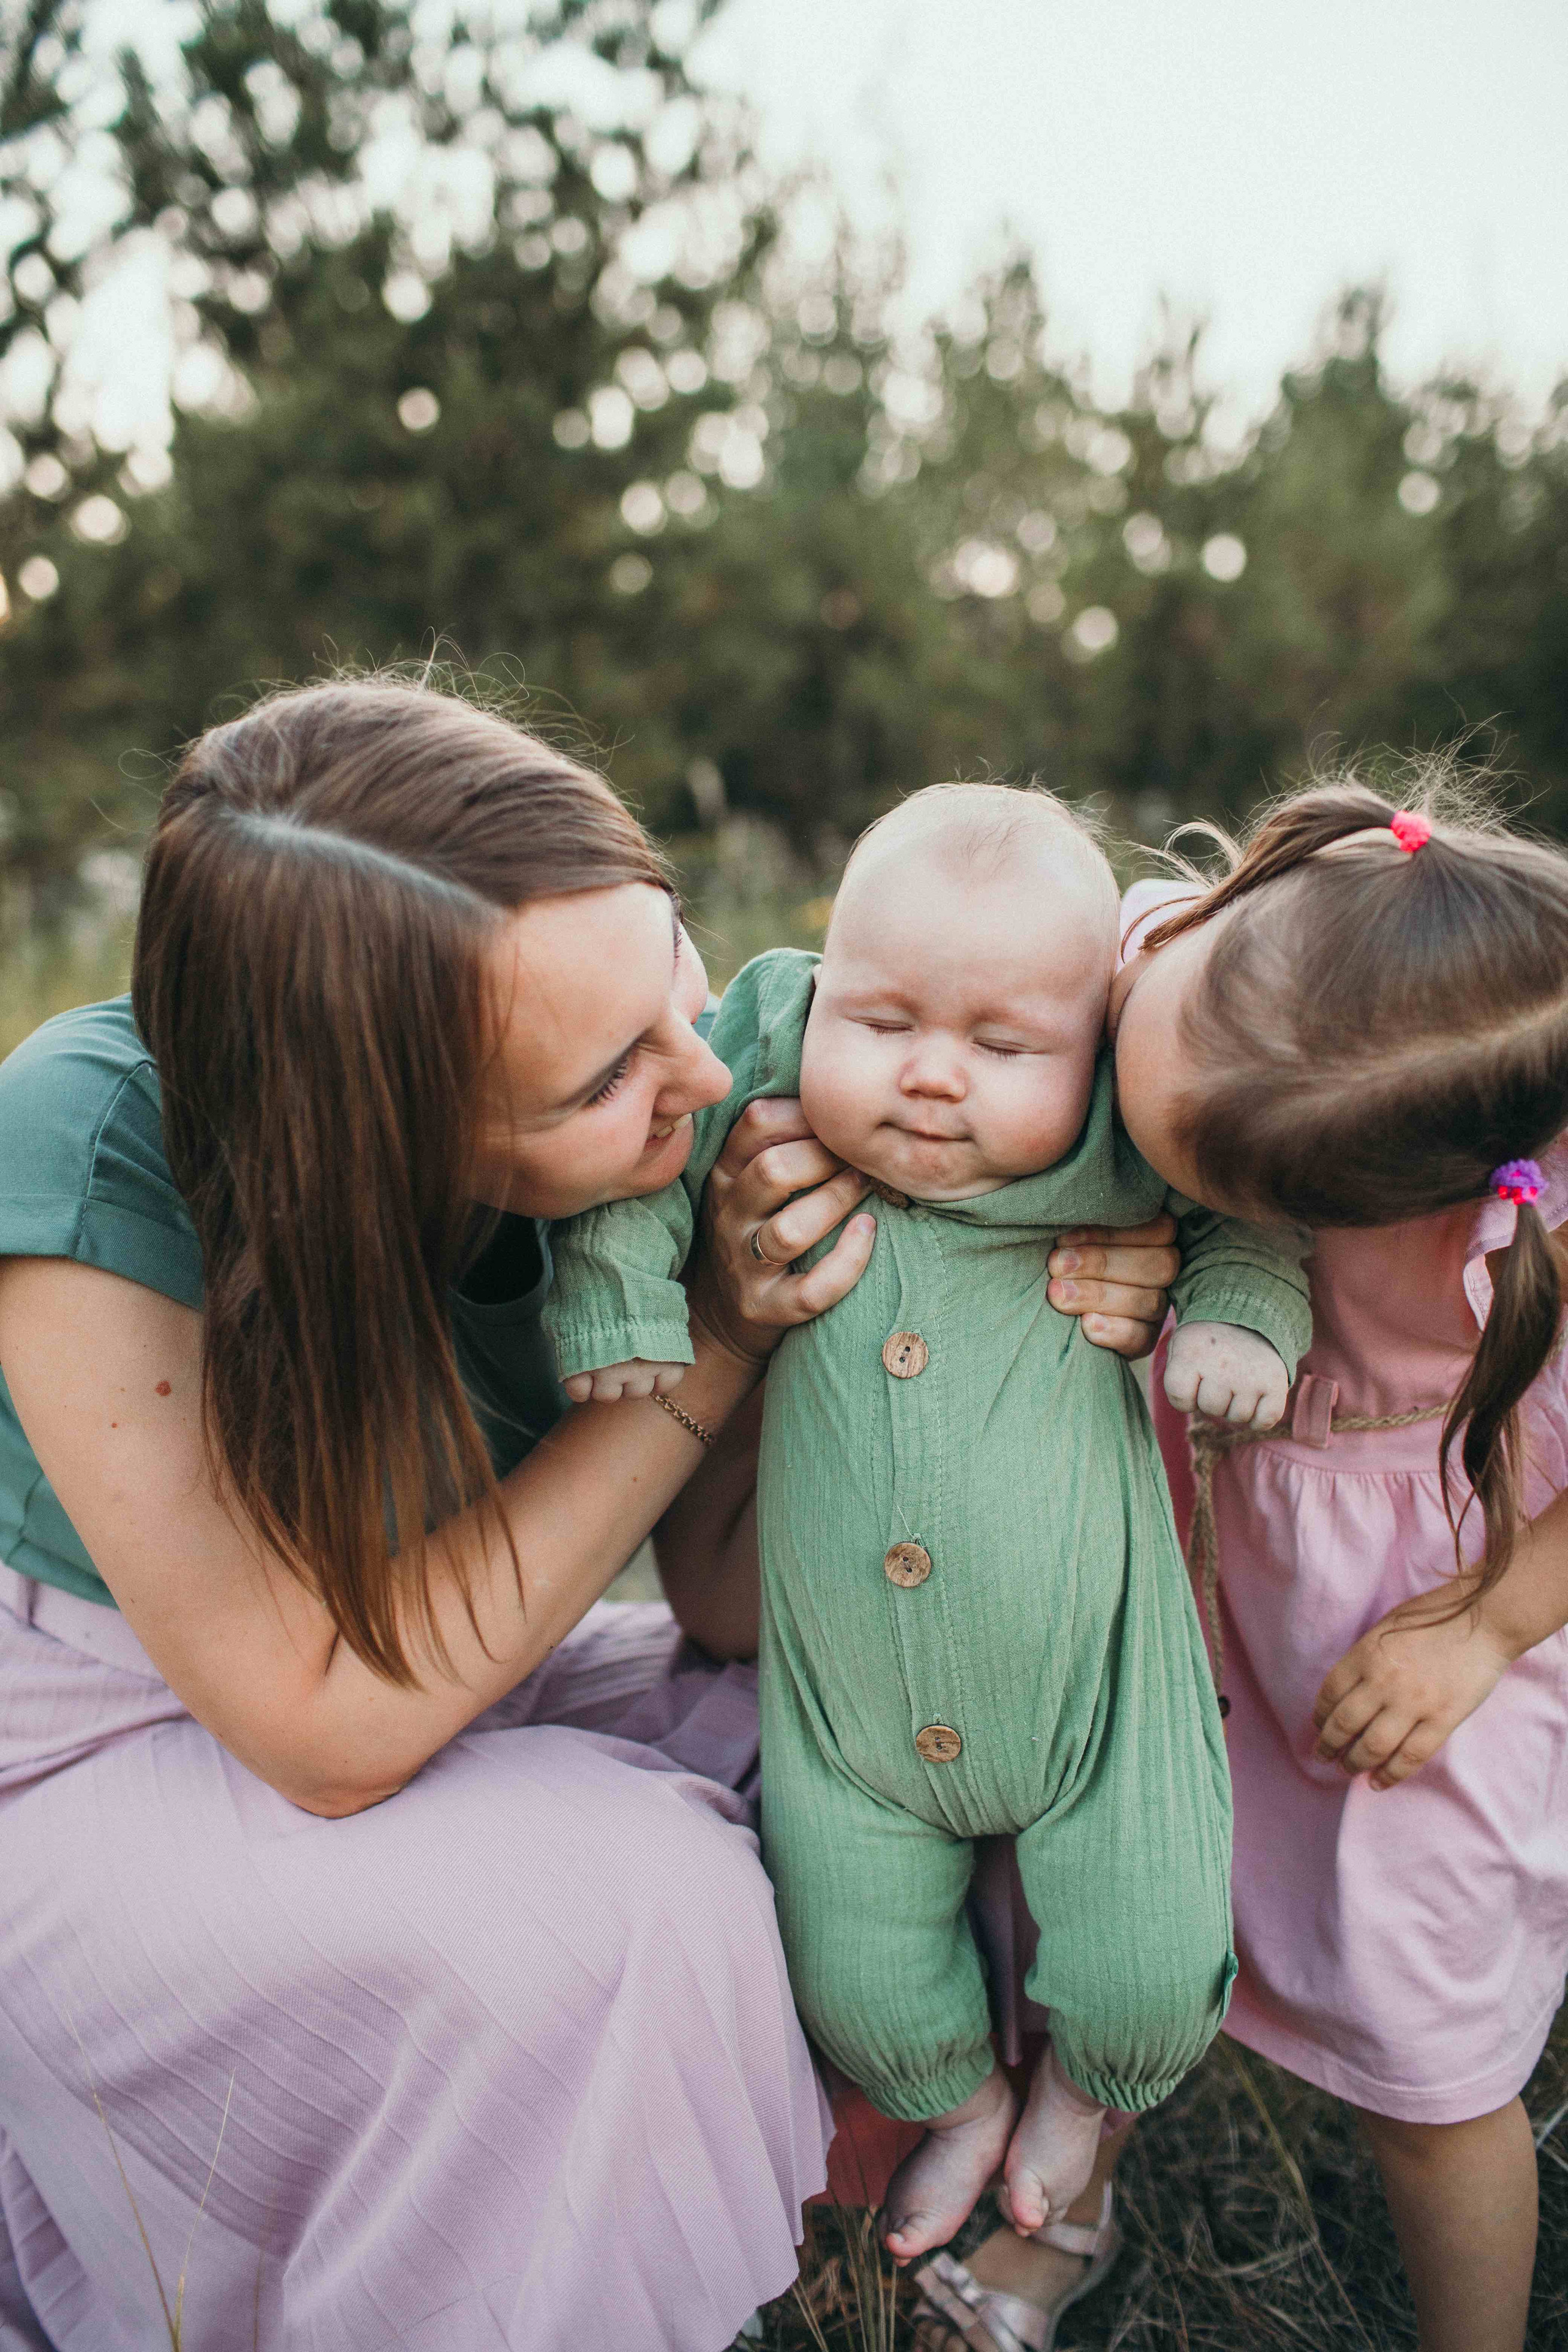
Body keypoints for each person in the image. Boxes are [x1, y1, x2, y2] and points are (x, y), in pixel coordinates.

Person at [0, 674, 909, 2352]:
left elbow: (716, 1605)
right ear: (370, 1138)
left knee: (908, 1723)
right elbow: (321, 1727)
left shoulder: (692, 1104)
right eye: (600, 1080)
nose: (697, 1075)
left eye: (673, 970)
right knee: (631, 1905)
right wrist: (716, 1343)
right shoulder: (91, 1141)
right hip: (101, 1734)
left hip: (449, 1650)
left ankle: (943, 2223)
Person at [540, 783, 1313, 2267]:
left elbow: (1251, 1214)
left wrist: (1239, 1322)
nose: (932, 1079)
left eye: (1002, 1046)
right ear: (818, 988)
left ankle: (1084, 2099)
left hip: (1102, 1696)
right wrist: (622, 1299)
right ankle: (951, 2102)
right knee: (852, 1971)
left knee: (1152, 1954)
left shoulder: (1121, 1135)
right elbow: (636, 1189)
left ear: (1091, 1051)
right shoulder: (758, 1076)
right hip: (844, 1721)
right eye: (882, 1023)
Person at [1112, 779, 1568, 2352]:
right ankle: (1063, 2190)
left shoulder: (1534, 1189)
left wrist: (1485, 1628)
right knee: (1124, 1903)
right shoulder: (1200, 947)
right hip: (1205, 1552)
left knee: (1425, 2027)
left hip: (1438, 1591)